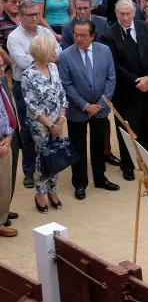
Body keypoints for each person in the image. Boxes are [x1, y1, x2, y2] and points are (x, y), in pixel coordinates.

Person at [57, 17, 116, 201]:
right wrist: (85, 105)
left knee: (99, 145)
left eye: (83, 35)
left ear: (92, 36)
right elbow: (66, 85)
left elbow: (111, 78)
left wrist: (100, 104)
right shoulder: (65, 55)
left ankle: (100, 178)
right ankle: (80, 183)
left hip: (100, 108)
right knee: (78, 148)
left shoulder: (104, 51)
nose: (79, 39)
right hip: (77, 110)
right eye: (76, 35)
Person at [22, 30, 66, 212]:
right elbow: (32, 105)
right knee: (43, 158)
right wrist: (51, 125)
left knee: (56, 157)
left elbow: (62, 93)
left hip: (58, 121)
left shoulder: (54, 68)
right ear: (42, 52)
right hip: (41, 125)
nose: (55, 53)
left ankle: (52, 190)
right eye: (52, 50)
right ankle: (40, 192)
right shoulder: (28, 75)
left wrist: (62, 118)